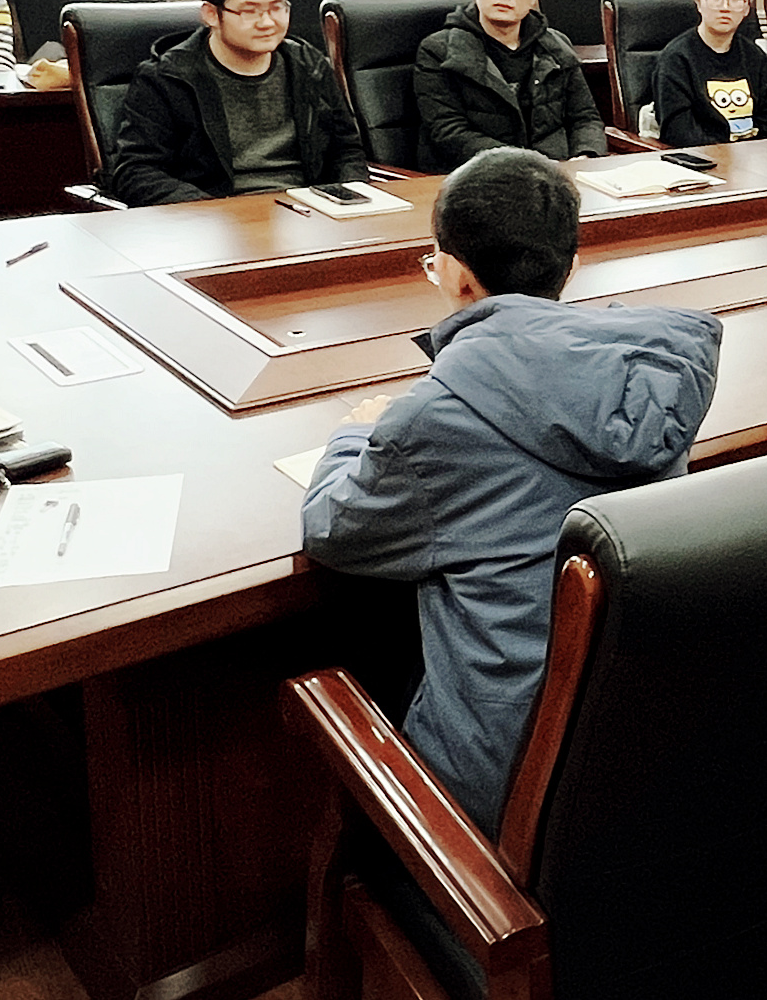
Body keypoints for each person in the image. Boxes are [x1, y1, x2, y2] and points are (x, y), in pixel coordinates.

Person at [302, 148, 722, 833]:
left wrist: (353, 434)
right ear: (570, 266)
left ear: (455, 275)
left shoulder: (431, 417)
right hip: (637, 763)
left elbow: (332, 531)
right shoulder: (656, 373)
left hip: (495, 791)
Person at [111, 0, 369, 207]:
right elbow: (136, 172)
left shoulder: (309, 66)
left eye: (278, 8)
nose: (267, 22)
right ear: (211, 14)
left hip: (308, 211)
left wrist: (351, 200)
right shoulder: (166, 78)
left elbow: (346, 151)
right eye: (250, 11)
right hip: (216, 216)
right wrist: (214, 211)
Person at [413, 0, 606, 171]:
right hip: (476, 176)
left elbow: (585, 118)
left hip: (557, 173)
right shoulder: (438, 51)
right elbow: (448, 133)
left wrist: (585, 157)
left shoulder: (556, 46)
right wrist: (528, 166)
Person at [646, 0, 767, 146]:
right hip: (702, 157)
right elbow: (678, 131)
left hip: (755, 157)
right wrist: (725, 155)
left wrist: (754, 154)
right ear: (698, 3)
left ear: (747, 8)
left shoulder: (758, 59)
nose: (725, 7)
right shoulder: (676, 60)